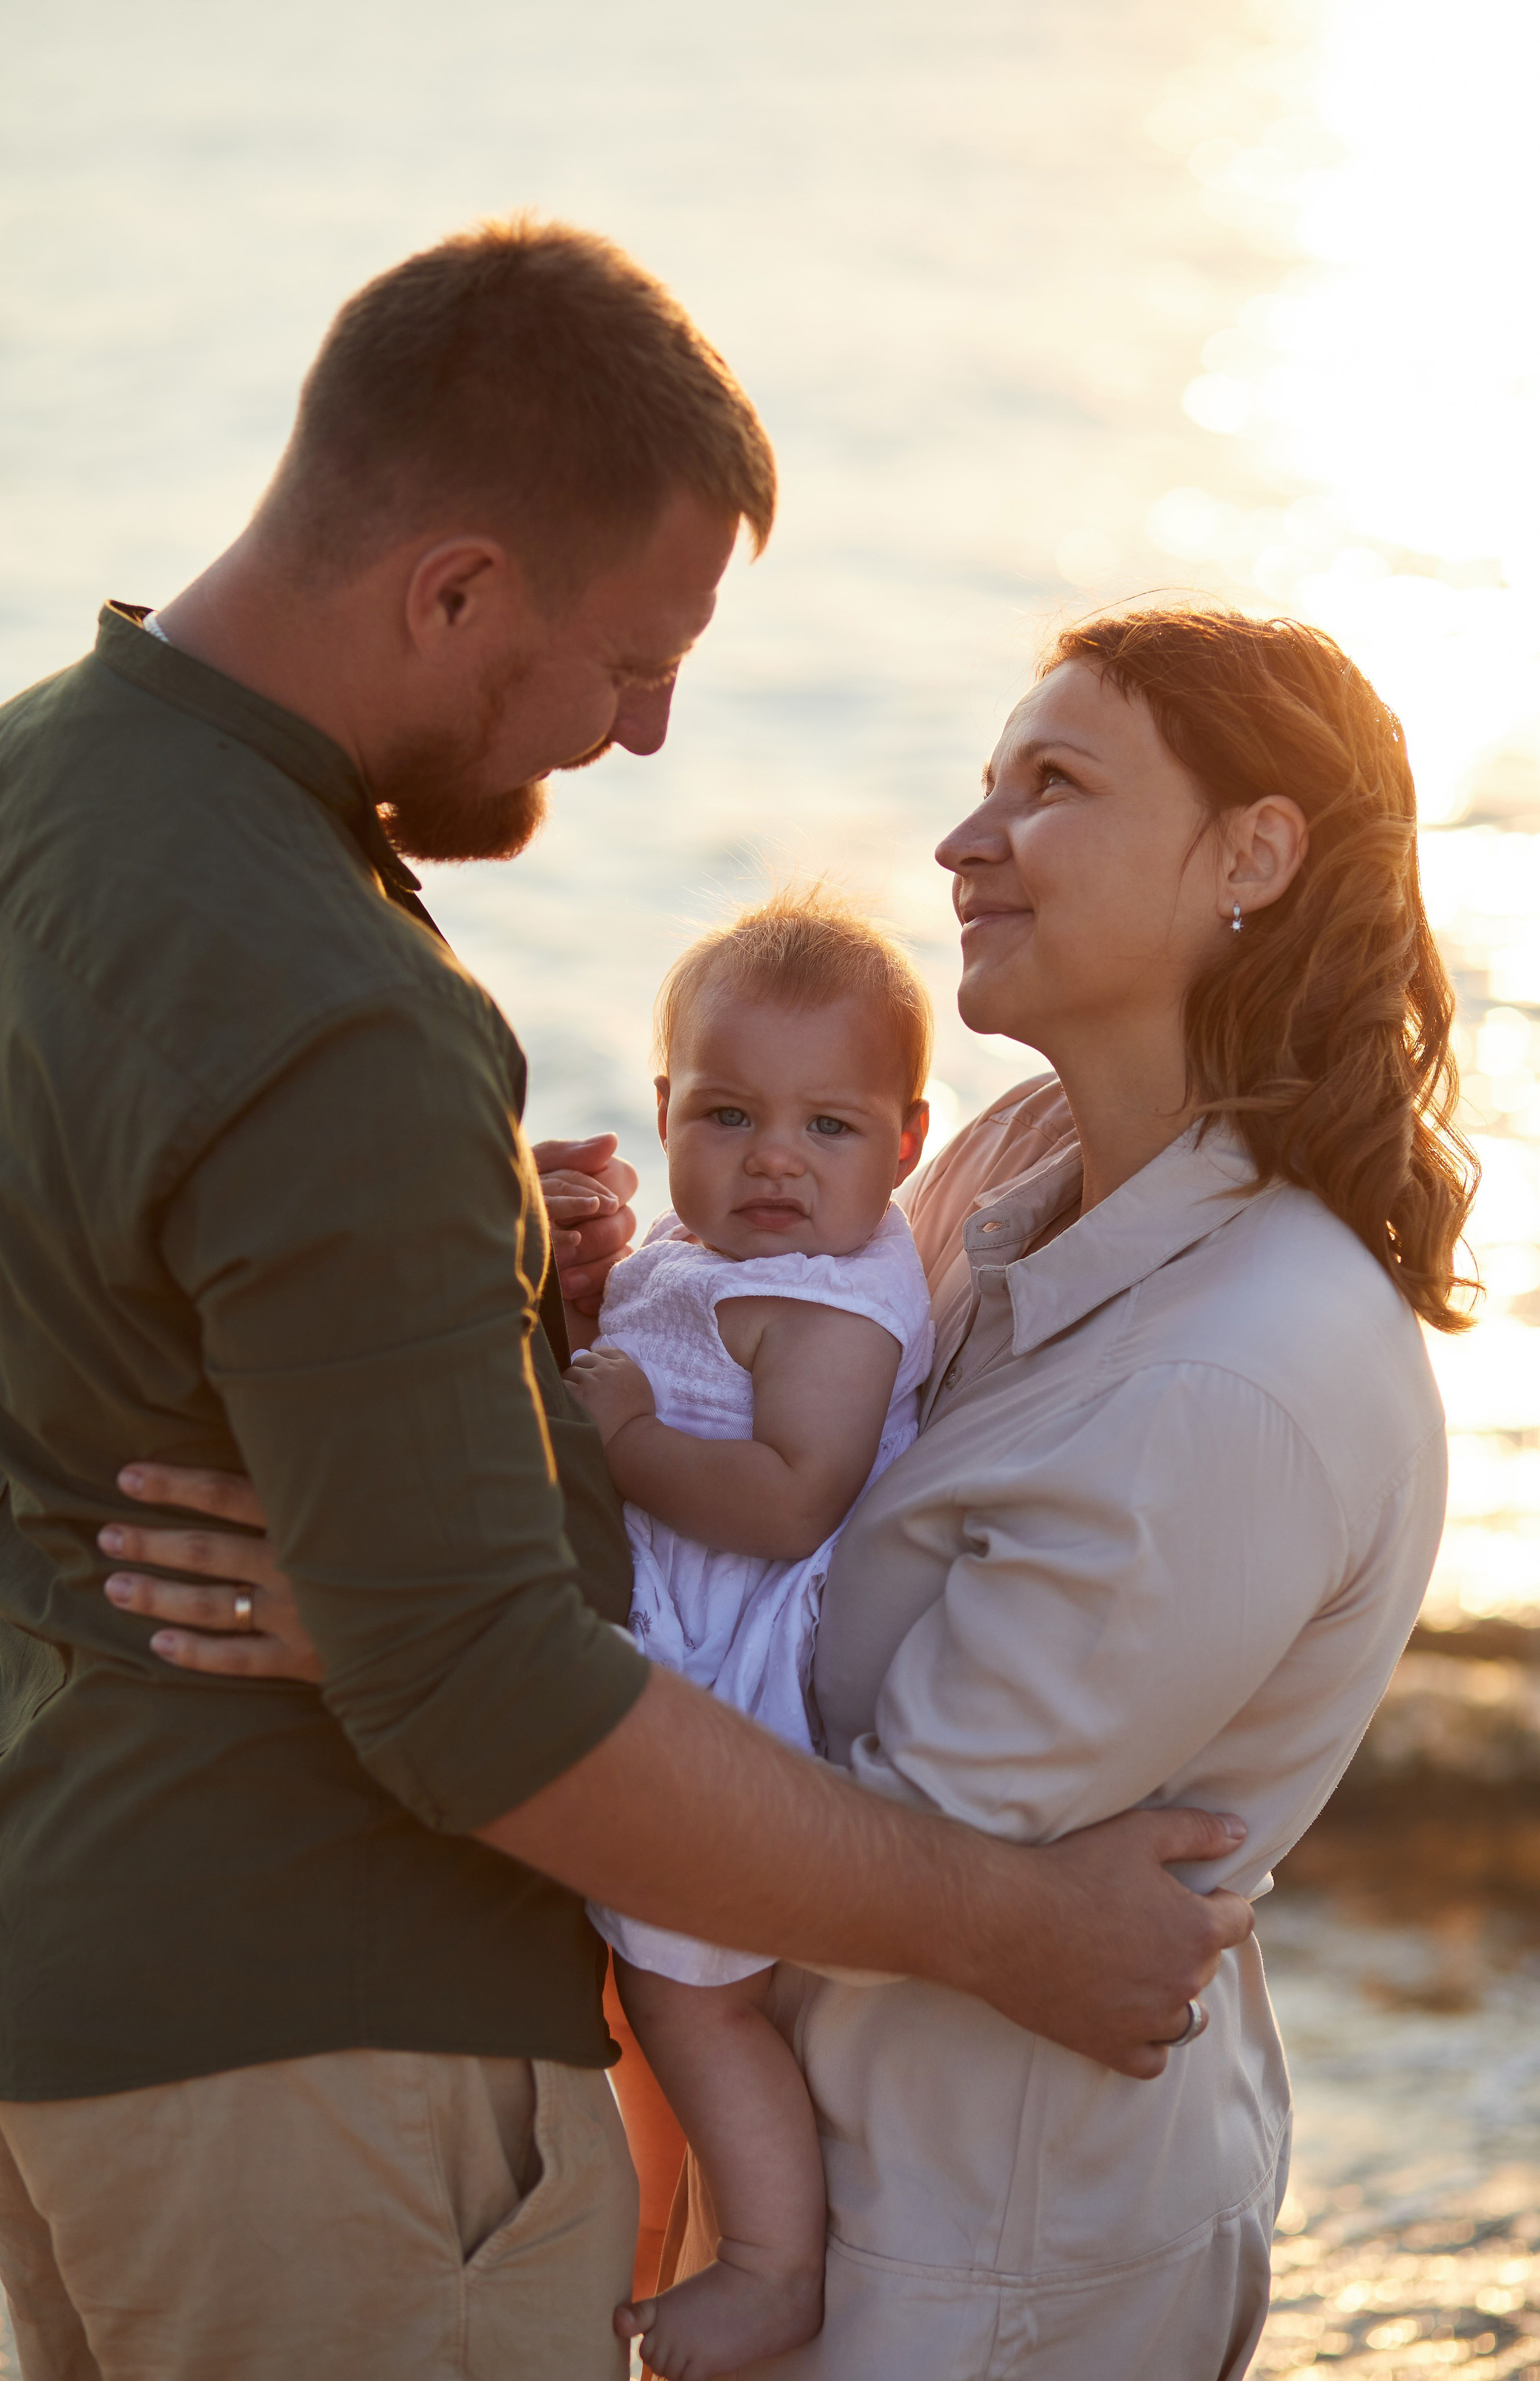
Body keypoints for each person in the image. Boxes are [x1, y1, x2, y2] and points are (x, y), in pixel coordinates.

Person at [0, 217, 1250, 2381]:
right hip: (332, 2052)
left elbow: (79, 1306)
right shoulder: (332, 1000)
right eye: (630, 660)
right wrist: (1017, 1926)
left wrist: (481, 1393)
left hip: (57, 1987)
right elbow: (488, 1704)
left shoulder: (16, 795)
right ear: (455, 587)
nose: (643, 735)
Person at [123, 605, 1471, 2381]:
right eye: (988, 777)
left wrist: (417, 1636)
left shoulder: (1241, 1376)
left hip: (978, 2255)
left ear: (1254, 852)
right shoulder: (1021, 1159)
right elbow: (765, 1425)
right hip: (815, 2173)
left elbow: (876, 1843)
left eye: (1051, 784)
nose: (963, 837)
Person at [567, 891, 937, 2379]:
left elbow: (789, 1503)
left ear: (907, 1142)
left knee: (689, 1984)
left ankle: (776, 2264)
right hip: (673, 1622)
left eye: (828, 1128)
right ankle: (667, 2216)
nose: (772, 1157)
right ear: (660, 1113)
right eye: (726, 1114)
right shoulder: (711, 1248)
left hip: (745, 1676)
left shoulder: (835, 1310)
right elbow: (657, 1334)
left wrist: (623, 1441)